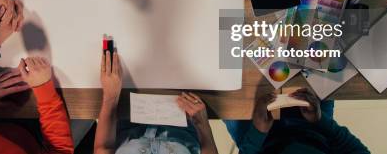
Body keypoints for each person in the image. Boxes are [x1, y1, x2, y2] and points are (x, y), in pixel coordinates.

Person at [94, 50, 219, 154]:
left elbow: (103, 148)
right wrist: (202, 122)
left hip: (129, 113)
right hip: (183, 116)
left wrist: (110, 96)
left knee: (127, 51)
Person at [224, 88, 370, 154]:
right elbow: (355, 150)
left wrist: (257, 132)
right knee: (322, 53)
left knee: (223, 90)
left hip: (260, 139)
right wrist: (320, 120)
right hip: (315, 127)